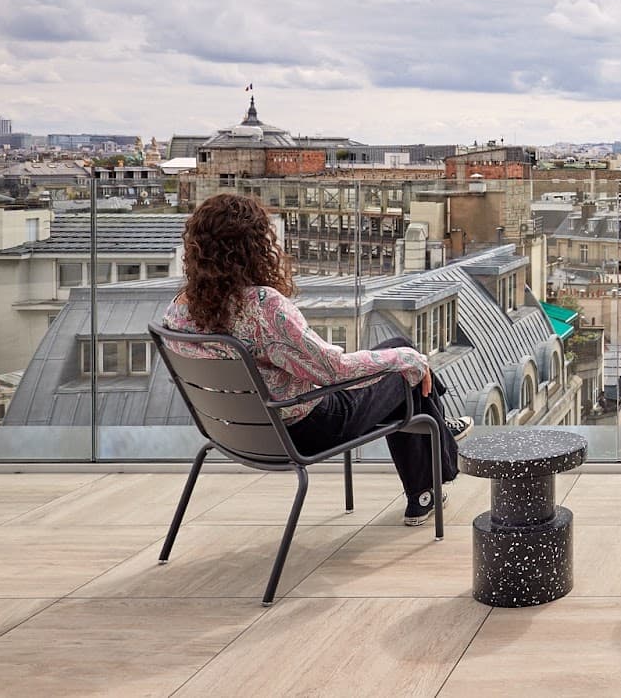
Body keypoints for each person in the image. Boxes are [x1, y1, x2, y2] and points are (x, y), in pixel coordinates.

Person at [162, 192, 471, 525]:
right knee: (404, 368)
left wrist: (403, 357)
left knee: (398, 350)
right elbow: (332, 371)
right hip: (306, 428)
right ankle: (436, 446)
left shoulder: (179, 309)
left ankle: (434, 428)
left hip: (235, 432)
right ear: (254, 247)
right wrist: (409, 359)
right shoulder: (263, 307)